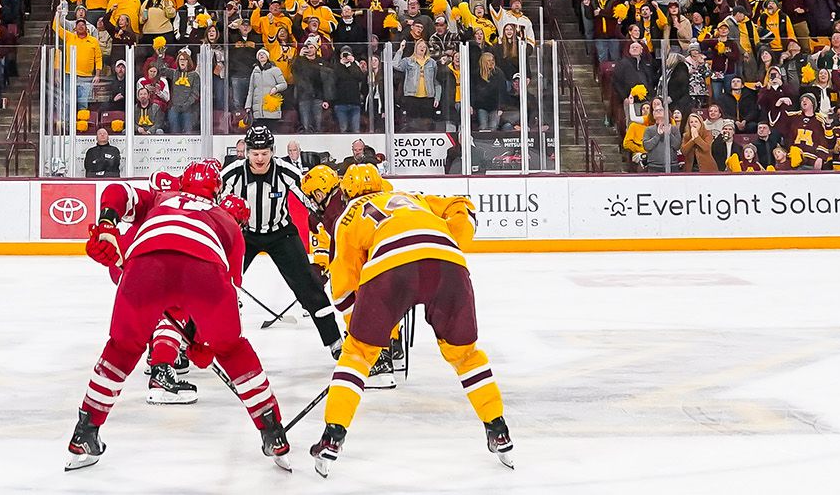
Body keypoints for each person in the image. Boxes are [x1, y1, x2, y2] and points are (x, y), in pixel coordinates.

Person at [66, 161, 290, 471]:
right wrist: (204, 343)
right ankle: (272, 431)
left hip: (144, 265)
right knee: (233, 349)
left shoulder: (161, 199)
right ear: (217, 192)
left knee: (122, 348)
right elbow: (228, 290)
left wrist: (106, 224)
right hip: (205, 268)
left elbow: (117, 191)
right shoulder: (226, 221)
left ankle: (85, 432)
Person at [310, 165, 512, 474]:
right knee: (466, 355)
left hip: (391, 268)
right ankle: (498, 428)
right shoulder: (410, 196)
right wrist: (450, 242)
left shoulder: (347, 216)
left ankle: (333, 435)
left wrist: (364, 328)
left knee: (357, 355)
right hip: (448, 263)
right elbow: (463, 206)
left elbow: (344, 284)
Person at [219, 125, 343, 350]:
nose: (259, 158)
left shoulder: (285, 171)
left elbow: (312, 200)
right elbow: (210, 201)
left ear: (272, 151)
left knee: (310, 286)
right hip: (243, 235)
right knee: (214, 284)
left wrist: (332, 222)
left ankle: (335, 341)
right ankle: (188, 342)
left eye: (264, 153)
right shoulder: (232, 173)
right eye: (255, 153)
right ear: (246, 152)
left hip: (281, 234)